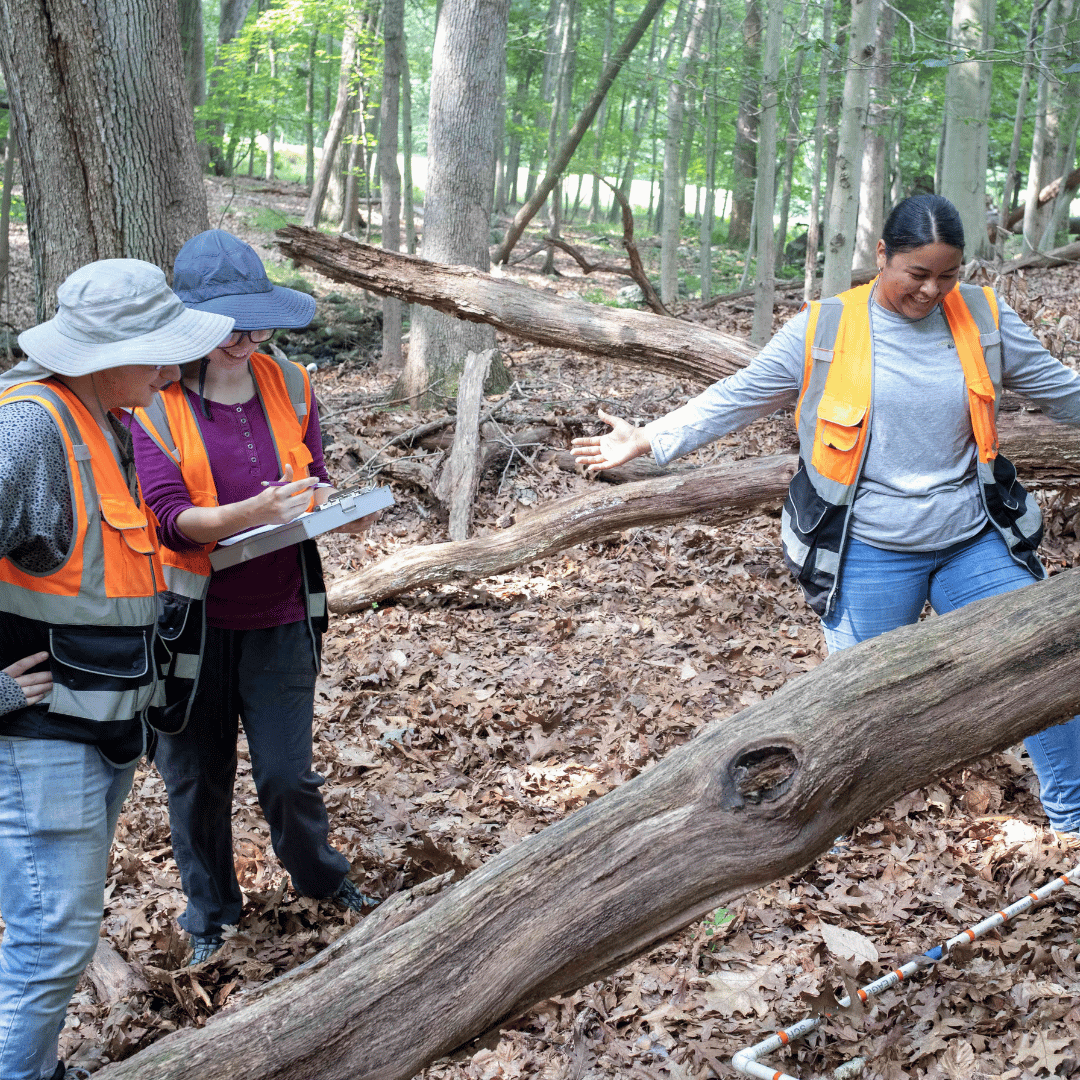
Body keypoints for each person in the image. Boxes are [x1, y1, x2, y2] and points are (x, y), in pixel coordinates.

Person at [571, 193, 1080, 839]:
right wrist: (649, 438)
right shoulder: (826, 329)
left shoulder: (983, 316)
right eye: (917, 274)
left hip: (969, 536)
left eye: (948, 275)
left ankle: (1073, 817)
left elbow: (1062, 391)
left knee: (1042, 663)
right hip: (867, 548)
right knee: (855, 705)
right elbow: (740, 395)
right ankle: (831, 828)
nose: (931, 290)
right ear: (881, 257)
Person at [0, 260, 232, 1080]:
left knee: (57, 932)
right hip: (38, 733)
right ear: (101, 354)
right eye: (159, 352)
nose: (174, 369)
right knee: (51, 935)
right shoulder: (28, 429)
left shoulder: (110, 422)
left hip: (101, 734)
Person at [131, 230, 379, 966]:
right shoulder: (156, 398)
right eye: (228, 325)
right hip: (190, 628)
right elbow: (171, 522)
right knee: (196, 780)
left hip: (279, 614)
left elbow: (316, 476)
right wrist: (251, 514)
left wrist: (329, 504)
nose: (246, 338)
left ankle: (320, 877)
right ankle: (210, 910)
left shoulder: (293, 383)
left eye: (256, 321)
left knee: (285, 772)